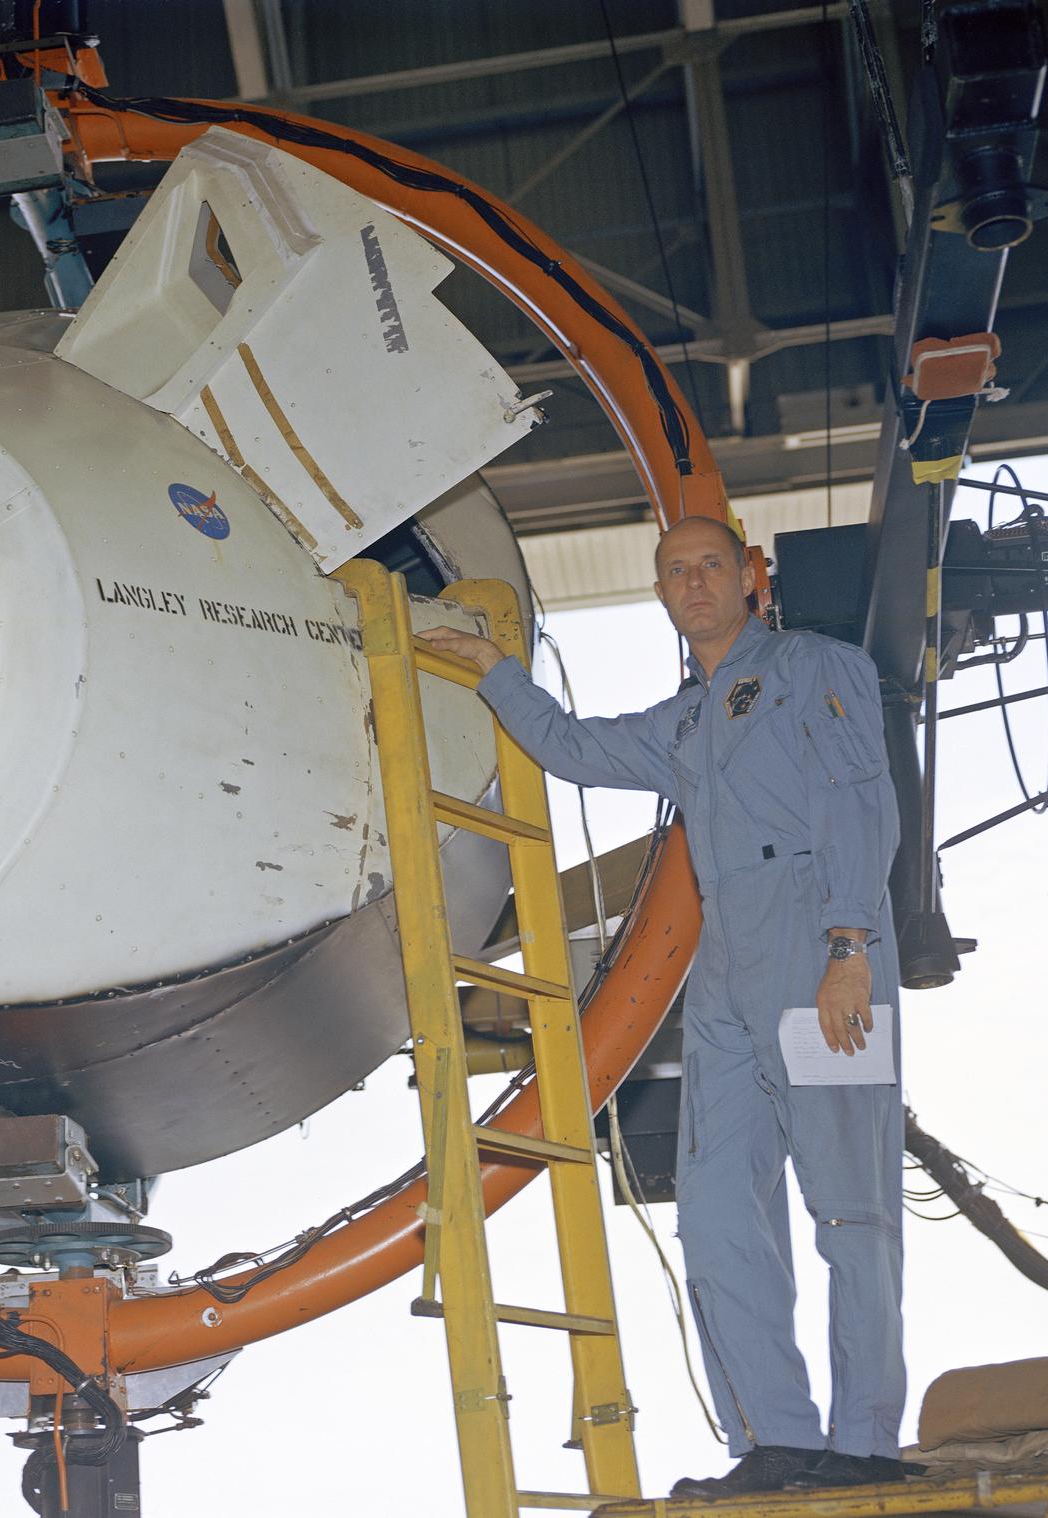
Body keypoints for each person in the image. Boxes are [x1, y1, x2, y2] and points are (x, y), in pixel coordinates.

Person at [421, 515, 906, 1499]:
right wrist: (489, 672)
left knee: (850, 1205)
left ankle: (862, 1445)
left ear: (748, 578)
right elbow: (571, 745)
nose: (693, 584)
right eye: (675, 571)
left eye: (710, 565)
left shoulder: (817, 665)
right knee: (717, 1209)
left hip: (821, 937)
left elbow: (863, 798)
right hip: (725, 963)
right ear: (662, 595)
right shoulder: (684, 722)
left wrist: (850, 944)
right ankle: (775, 1436)